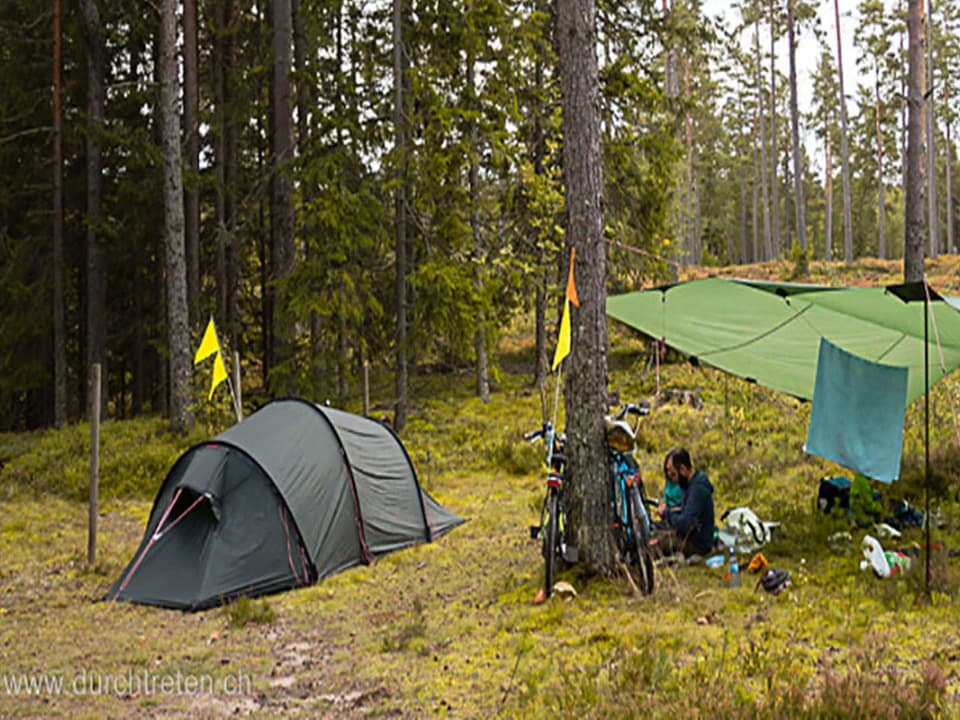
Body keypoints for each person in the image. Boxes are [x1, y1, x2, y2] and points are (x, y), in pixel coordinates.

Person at [654, 448, 715, 558]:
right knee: (654, 528)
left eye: (673, 474)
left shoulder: (698, 489)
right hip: (690, 536)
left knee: (654, 542)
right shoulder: (691, 484)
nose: (672, 479)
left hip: (697, 544)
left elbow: (685, 525)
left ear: (682, 469)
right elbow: (685, 510)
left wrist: (666, 513)